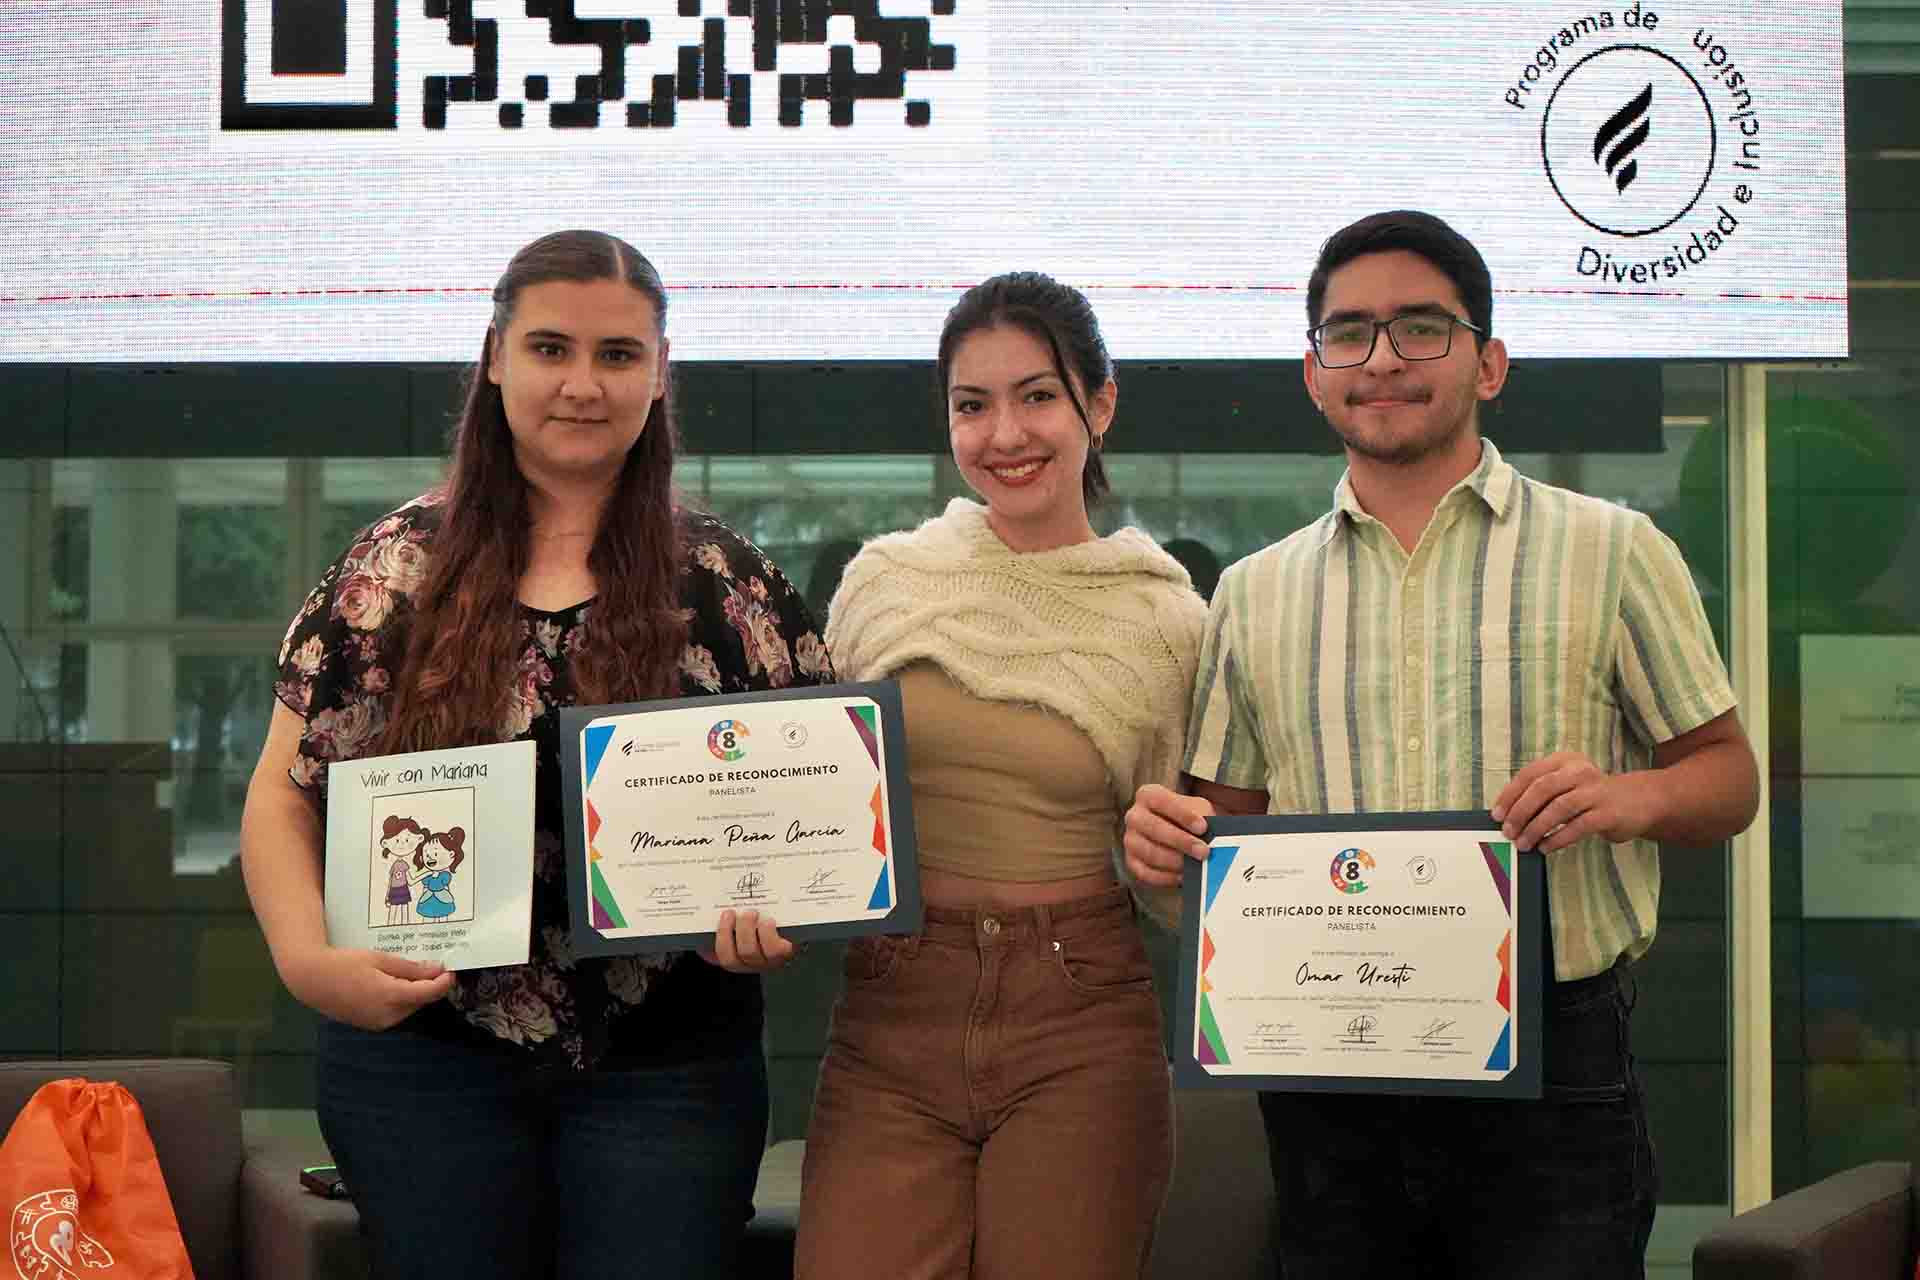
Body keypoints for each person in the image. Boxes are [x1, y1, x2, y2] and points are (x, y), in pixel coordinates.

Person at [1122, 210, 1760, 1279]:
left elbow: (1728, 775)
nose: (1381, 358)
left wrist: (1628, 798)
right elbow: (1220, 830)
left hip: (1555, 1065)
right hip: (1326, 1062)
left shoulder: (1612, 549)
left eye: (1422, 328)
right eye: (1348, 333)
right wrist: (1165, 840)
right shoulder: (1255, 590)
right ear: (1314, 373)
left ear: (1491, 361)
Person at [239, 229, 832, 1280]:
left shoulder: (730, 587)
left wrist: (774, 905)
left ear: (658, 376)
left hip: (673, 1069)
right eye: (551, 348)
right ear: (495, 359)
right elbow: (284, 797)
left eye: (618, 354)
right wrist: (308, 961)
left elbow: (816, 809)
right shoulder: (389, 573)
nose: (582, 383)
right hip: (423, 1063)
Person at [796, 272, 1209, 1279]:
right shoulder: (884, 583)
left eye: (1037, 394)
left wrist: (1172, 853)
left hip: (1079, 1014)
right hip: (895, 1007)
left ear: (1098, 404)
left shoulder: (1168, 620)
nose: (1004, 432)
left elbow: (1185, 892)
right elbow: (806, 795)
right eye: (972, 404)